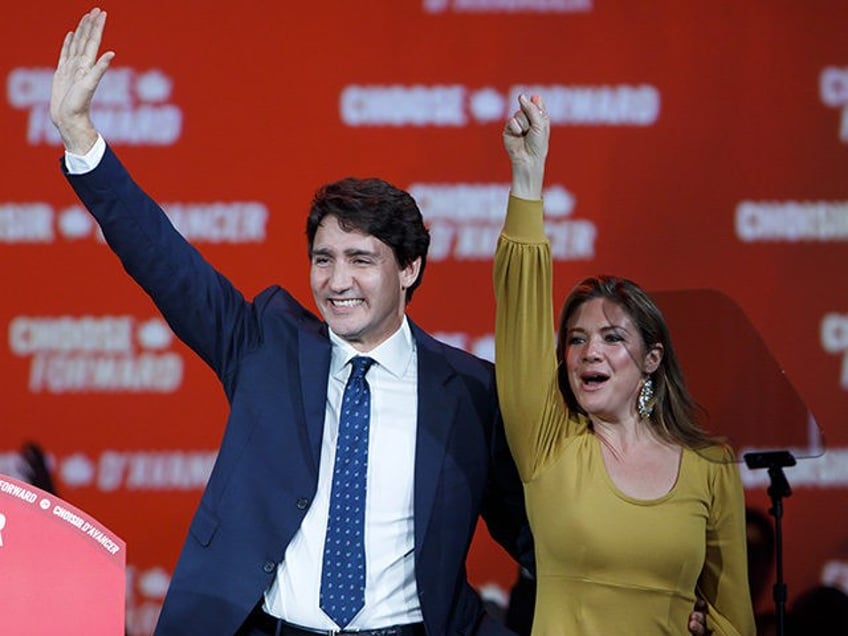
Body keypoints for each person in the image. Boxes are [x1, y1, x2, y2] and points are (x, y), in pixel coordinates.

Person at [50, 9, 532, 636]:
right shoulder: (268, 344)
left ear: (409, 268)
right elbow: (164, 262)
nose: (336, 281)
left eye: (361, 260)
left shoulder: (469, 392)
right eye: (324, 259)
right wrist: (80, 136)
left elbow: (540, 539)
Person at [493, 93, 756, 635]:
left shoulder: (711, 465)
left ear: (652, 359)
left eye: (613, 338)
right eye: (576, 339)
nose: (589, 352)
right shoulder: (549, 446)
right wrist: (527, 175)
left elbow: (737, 619)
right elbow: (520, 314)